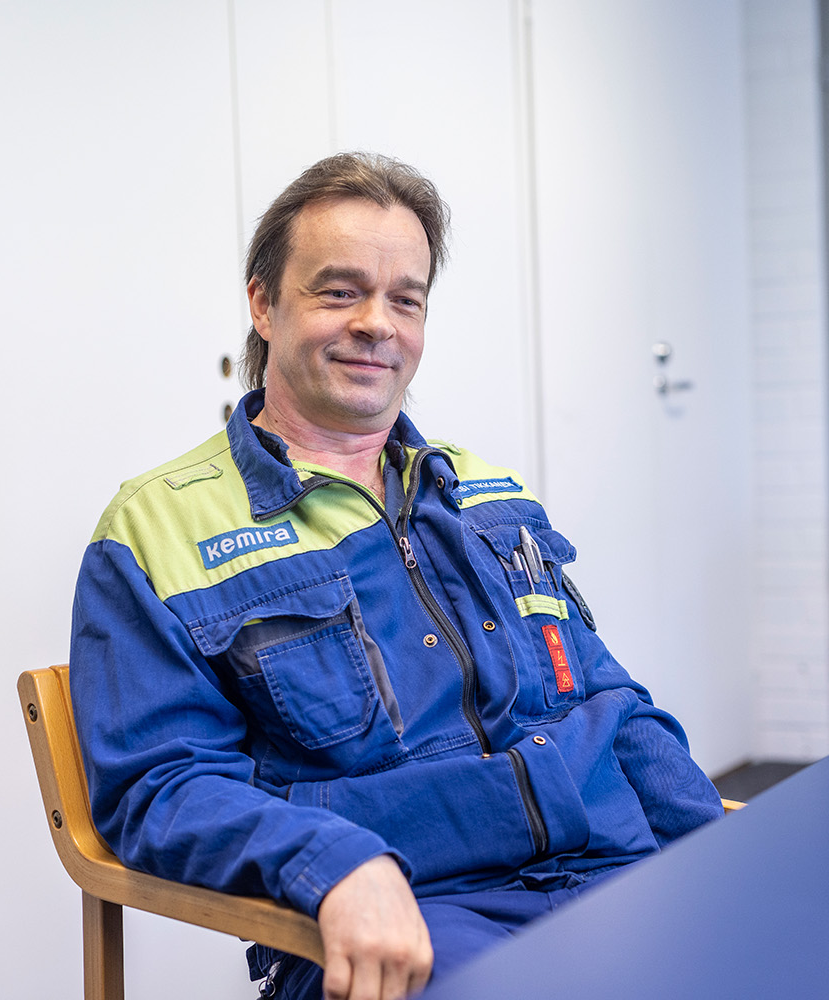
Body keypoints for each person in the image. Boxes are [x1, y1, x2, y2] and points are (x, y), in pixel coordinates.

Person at [69, 152, 723, 1000]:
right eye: (340, 291)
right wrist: (334, 863)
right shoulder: (158, 530)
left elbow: (604, 697)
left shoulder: (484, 491)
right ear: (264, 304)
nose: (377, 324)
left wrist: (722, 856)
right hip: (414, 917)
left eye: (405, 299)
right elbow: (159, 786)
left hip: (612, 872)